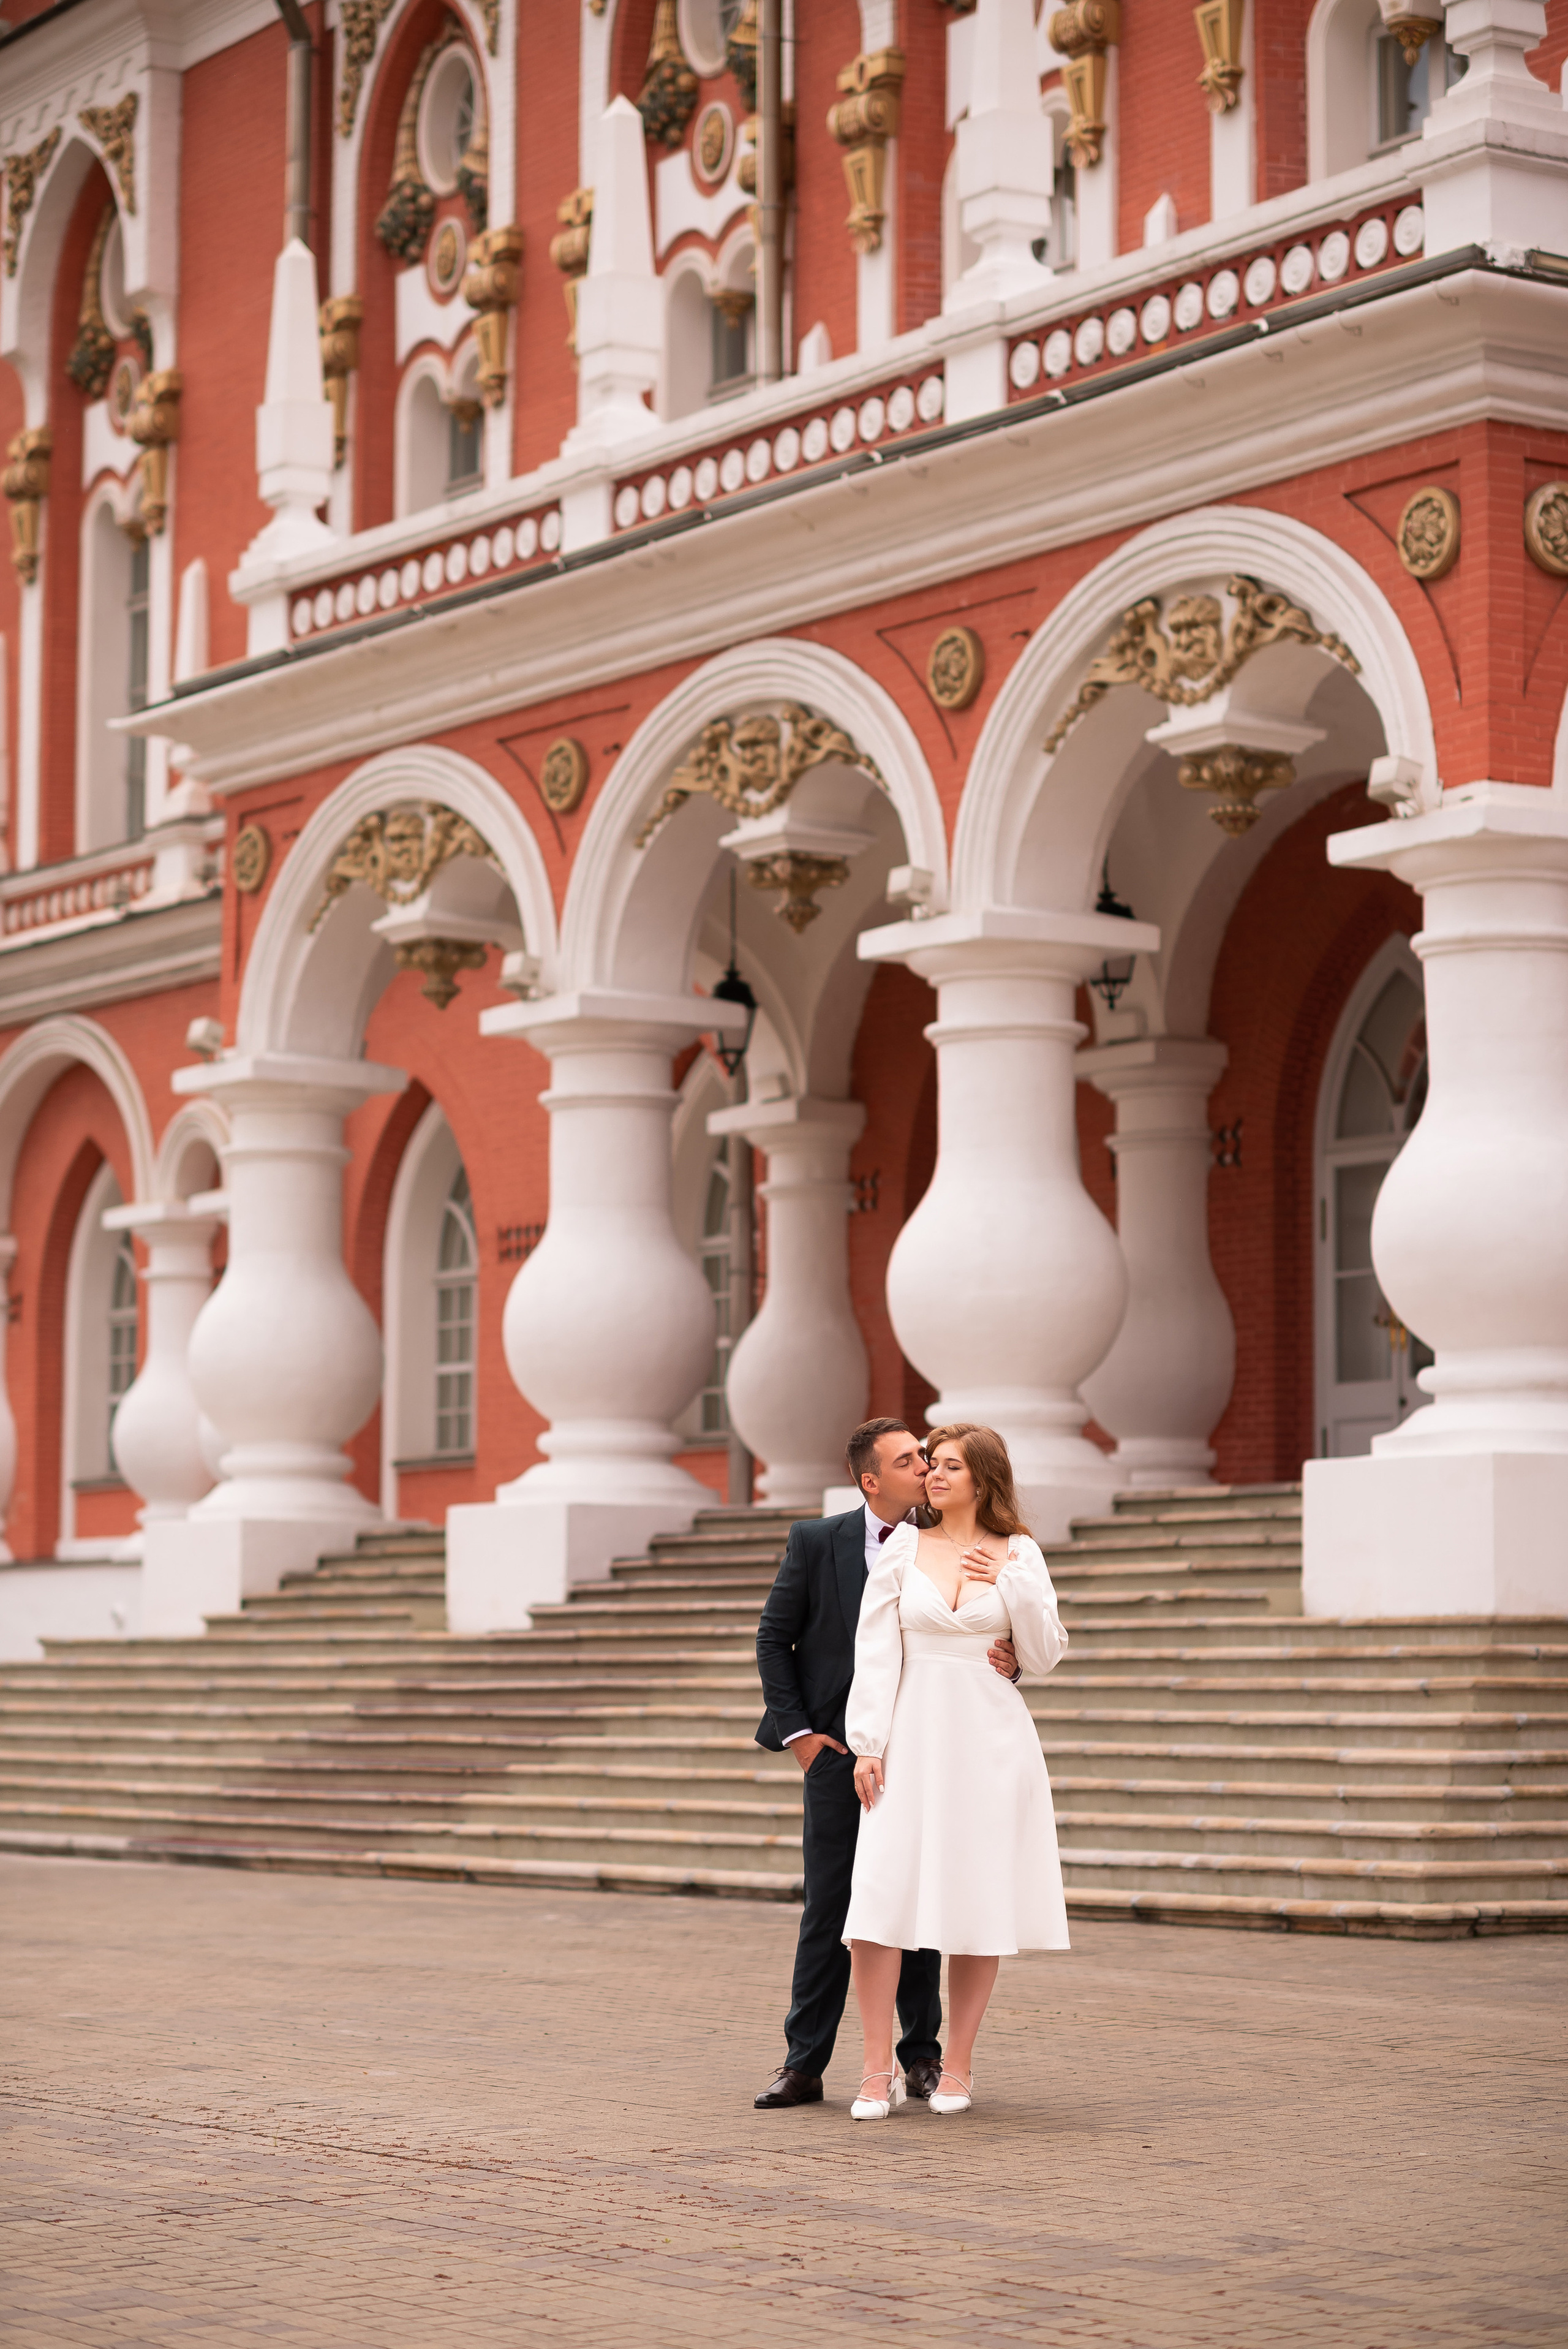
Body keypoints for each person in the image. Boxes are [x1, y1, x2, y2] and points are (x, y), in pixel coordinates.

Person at [752, 1417, 1022, 2111]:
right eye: (909, 1460)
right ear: (870, 1480)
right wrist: (804, 1738)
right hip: (842, 1751)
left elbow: (990, 1626)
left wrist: (1011, 1658)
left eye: (930, 1458)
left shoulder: (956, 1540)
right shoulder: (817, 1541)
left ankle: (922, 2059)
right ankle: (804, 2062)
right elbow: (774, 1639)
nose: (925, 1468)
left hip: (925, 1748)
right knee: (833, 1905)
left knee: (923, 1901)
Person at [842, 1423, 1069, 2120]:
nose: (933, 1476)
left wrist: (1011, 1585)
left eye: (949, 1468)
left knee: (978, 1903)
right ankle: (875, 2070)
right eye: (930, 1465)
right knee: (878, 1897)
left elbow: (1046, 1650)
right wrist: (867, 1742)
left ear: (983, 1479)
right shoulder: (904, 1545)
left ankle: (958, 2068)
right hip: (910, 1737)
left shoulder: (1020, 1551)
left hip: (991, 1743)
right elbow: (875, 1646)